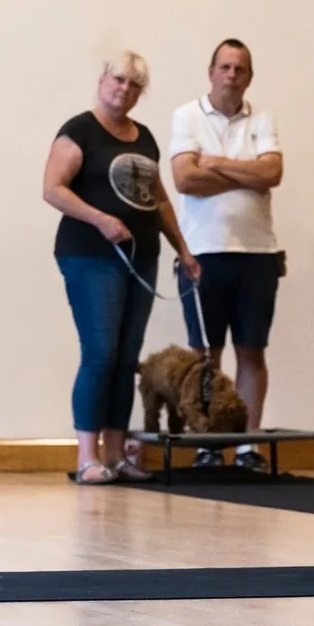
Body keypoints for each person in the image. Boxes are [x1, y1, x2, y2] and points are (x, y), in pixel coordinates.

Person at [44, 53, 202, 484]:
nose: (124, 89)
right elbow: (52, 189)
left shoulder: (144, 136)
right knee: (100, 352)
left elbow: (161, 199)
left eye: (135, 85)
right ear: (102, 80)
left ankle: (116, 455)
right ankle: (86, 457)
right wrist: (100, 218)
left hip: (142, 256)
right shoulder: (79, 131)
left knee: (126, 356)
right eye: (118, 80)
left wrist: (184, 250)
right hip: (89, 255)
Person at [168, 38, 283, 469]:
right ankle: (209, 445)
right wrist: (245, 174)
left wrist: (214, 163)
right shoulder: (187, 116)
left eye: (240, 69)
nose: (232, 75)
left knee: (251, 350)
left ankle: (249, 446)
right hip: (203, 254)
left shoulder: (263, 118)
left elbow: (272, 173)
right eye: (225, 67)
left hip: (257, 254)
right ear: (211, 71)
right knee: (206, 355)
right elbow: (184, 180)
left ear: (249, 76)